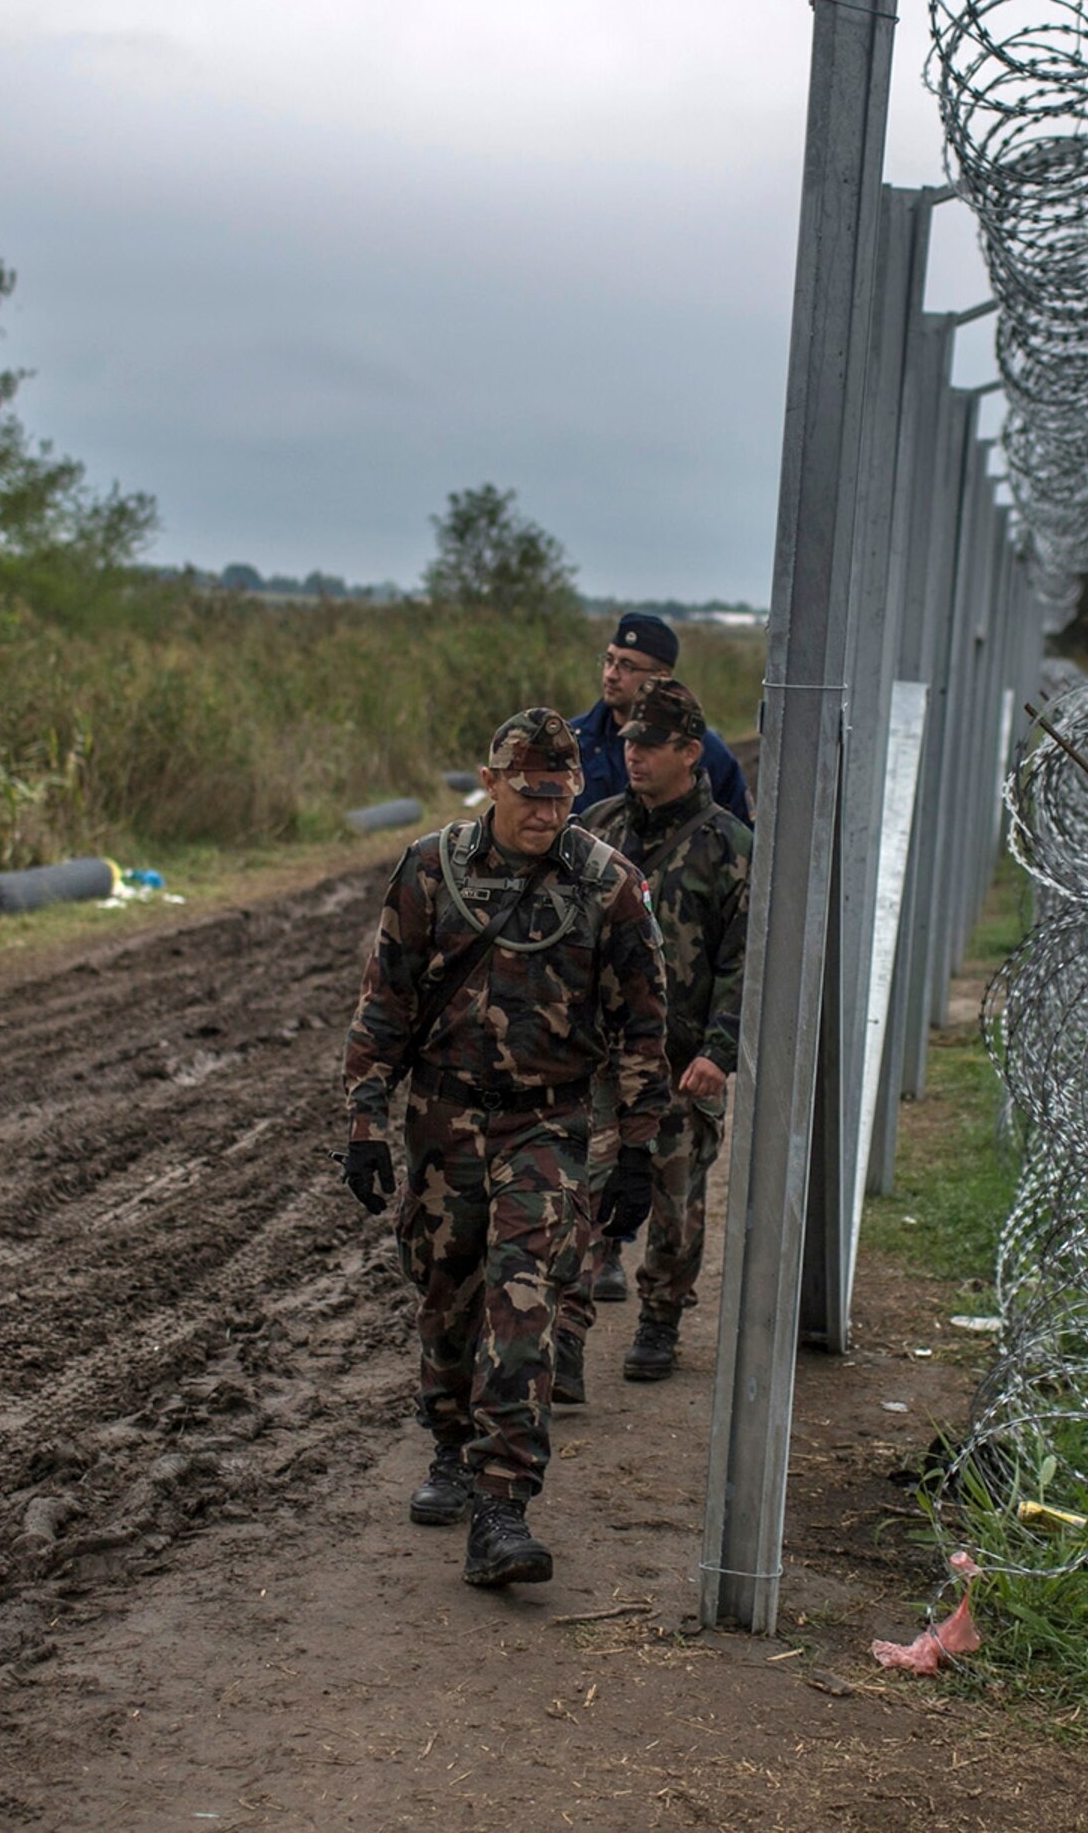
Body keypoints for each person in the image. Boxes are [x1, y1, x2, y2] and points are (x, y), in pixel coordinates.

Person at [336, 707, 668, 1588]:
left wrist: (637, 1149)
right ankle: (448, 1445)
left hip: (547, 1126)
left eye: (560, 797)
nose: (544, 813)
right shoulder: (431, 871)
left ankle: (501, 1505)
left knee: (522, 1302)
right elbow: (384, 1006)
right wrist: (367, 1124)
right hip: (443, 1124)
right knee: (447, 1295)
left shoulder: (607, 885)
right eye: (528, 796)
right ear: (490, 785)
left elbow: (642, 1026)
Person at [567, 679, 748, 1384]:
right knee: (577, 1191)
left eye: (650, 744)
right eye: (629, 742)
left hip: (680, 1061)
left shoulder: (729, 849)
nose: (633, 755)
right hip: (597, 1055)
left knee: (676, 1198)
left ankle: (661, 1319)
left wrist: (718, 1052)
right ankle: (565, 1334)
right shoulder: (599, 831)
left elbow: (742, 959)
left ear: (690, 753)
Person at [570, 612, 751, 824]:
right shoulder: (573, 743)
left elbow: (742, 836)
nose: (611, 674)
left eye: (627, 666)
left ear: (661, 677)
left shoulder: (704, 751)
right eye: (609, 661)